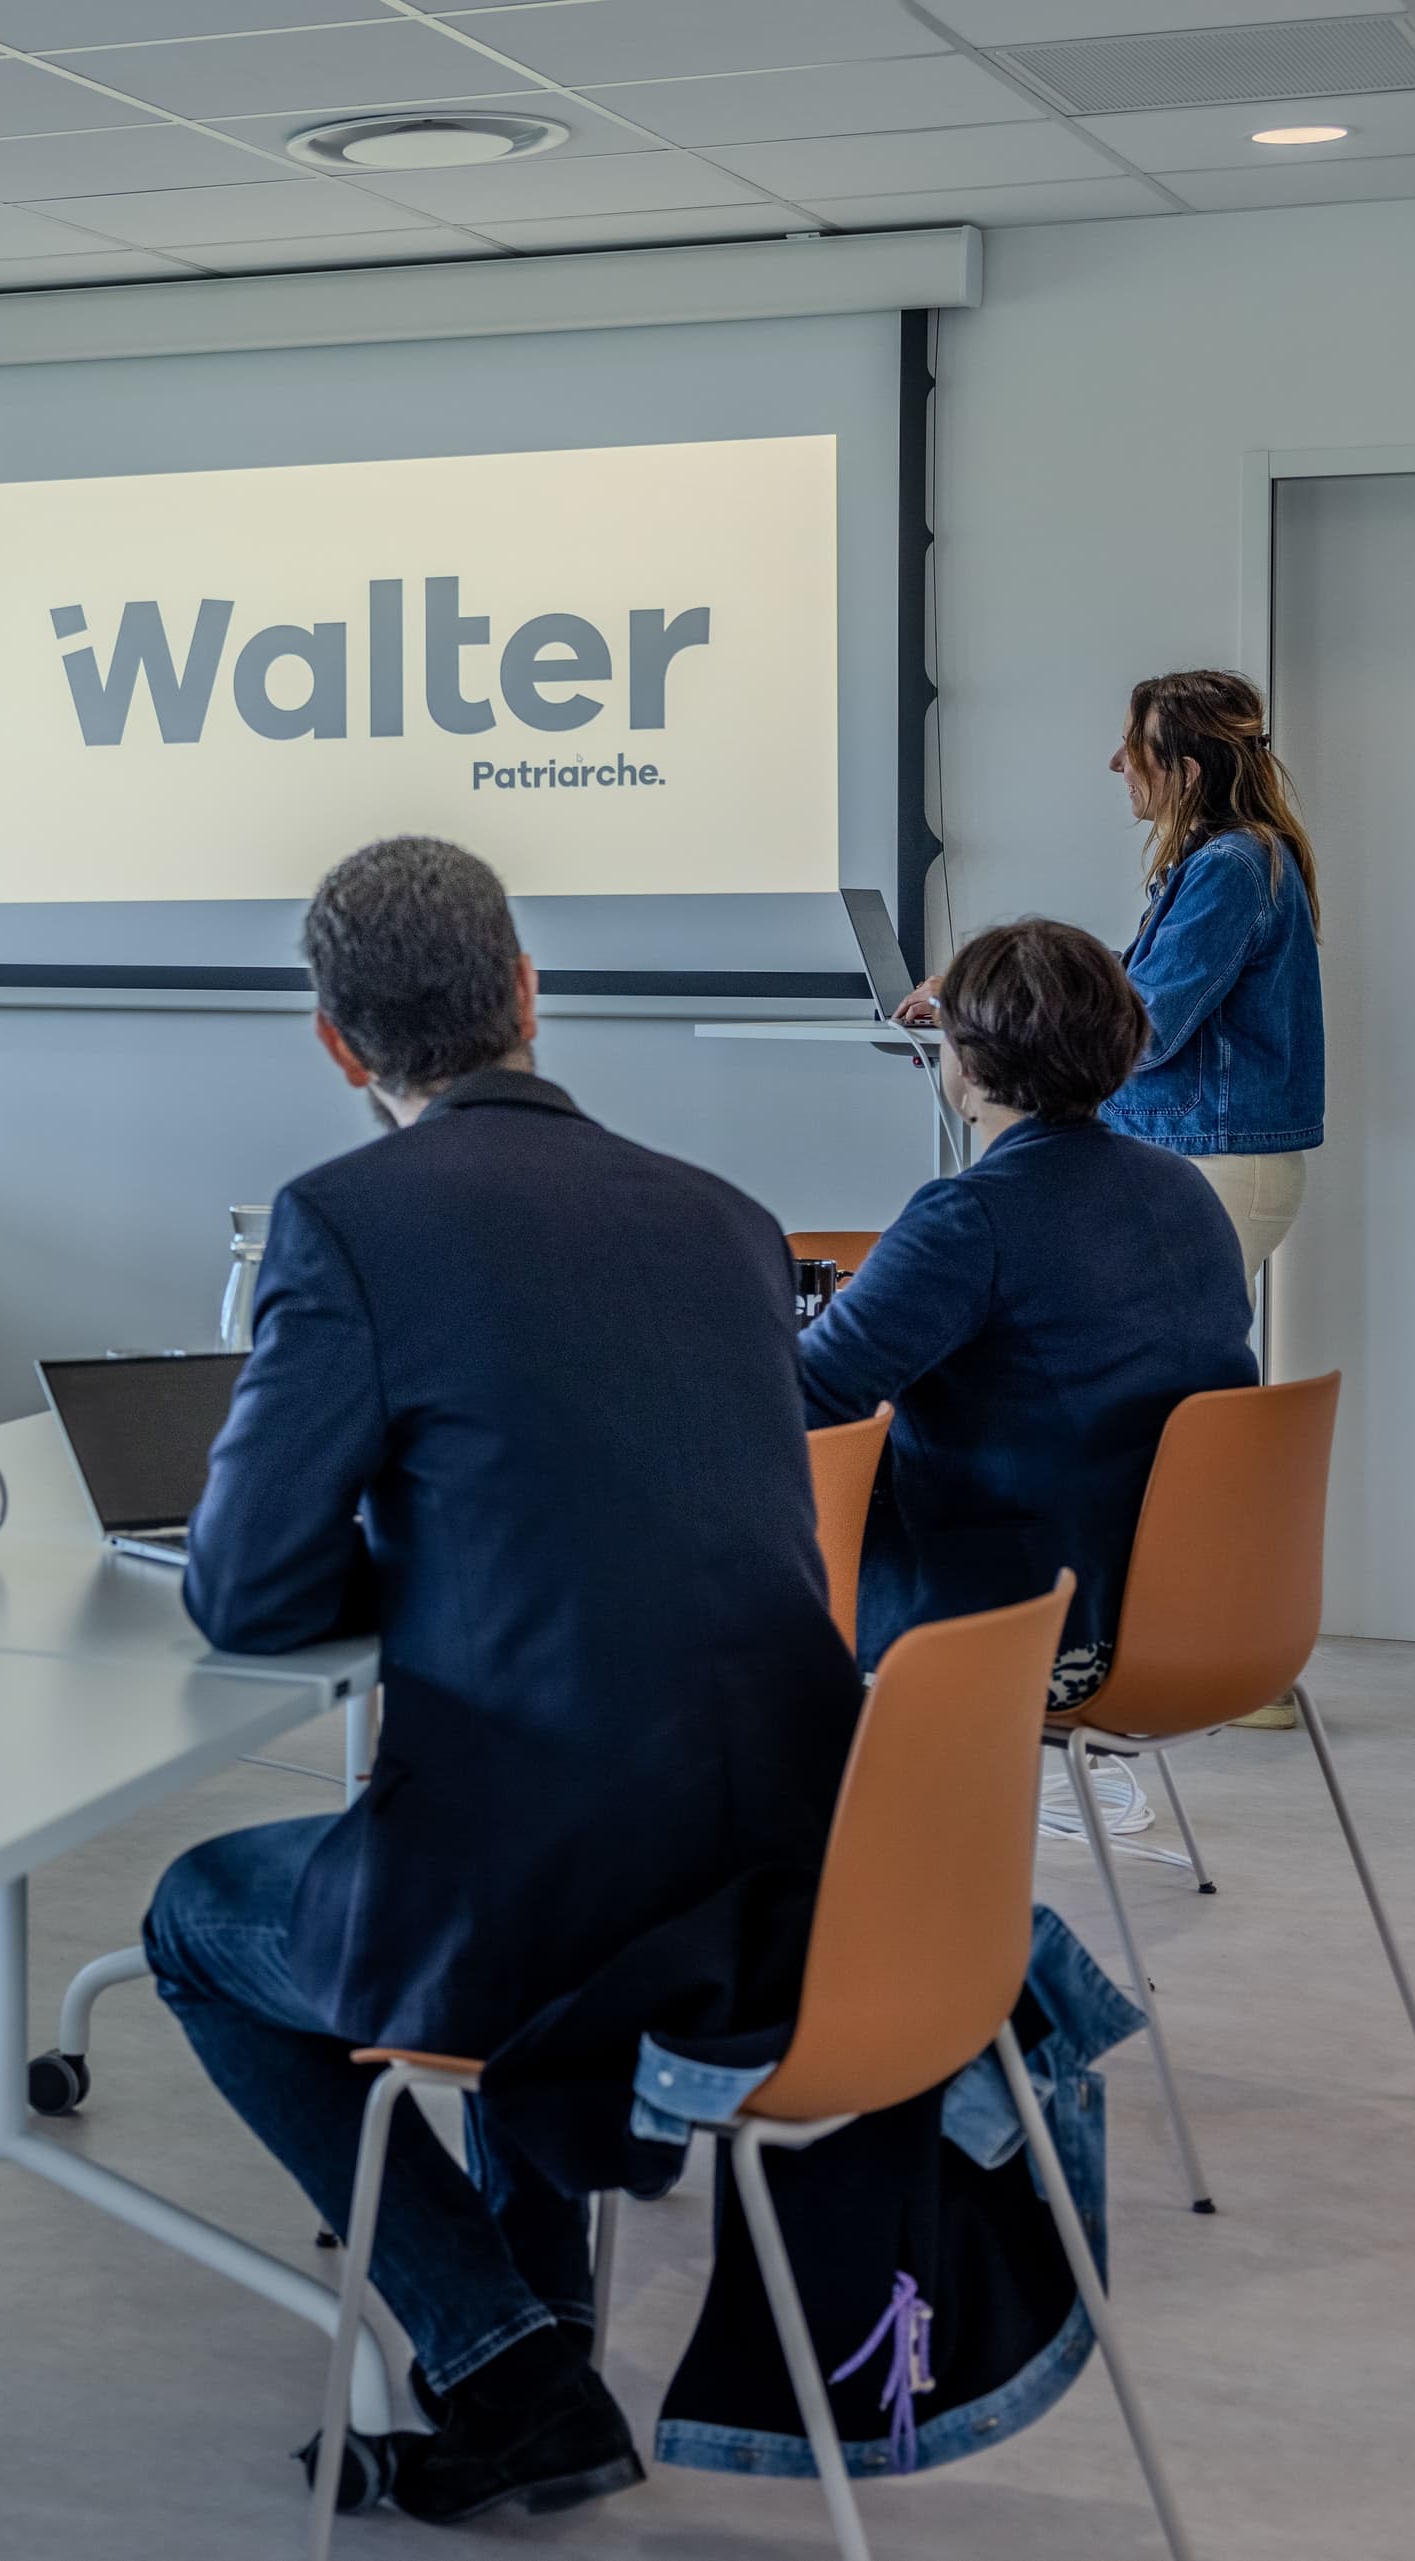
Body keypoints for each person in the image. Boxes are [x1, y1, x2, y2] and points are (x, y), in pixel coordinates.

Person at [143, 838, 863, 2524]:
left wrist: (415, 1556)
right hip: (794, 1888)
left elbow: (244, 1589)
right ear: (530, 993)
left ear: (337, 1046)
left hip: (556, 1918)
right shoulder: (729, 1220)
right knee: (537, 1822)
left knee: (195, 1918)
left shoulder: (347, 1222)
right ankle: (534, 2334)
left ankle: (507, 2355)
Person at [800, 917, 1255, 1704]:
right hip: (1190, 1612)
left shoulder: (970, 1217)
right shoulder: (1185, 1189)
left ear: (969, 1059)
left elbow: (806, 1394)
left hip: (1020, 1625)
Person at [906, 670, 1323, 1282]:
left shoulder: (1229, 867)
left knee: (1161, 1364)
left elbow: (1145, 1027)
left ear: (1186, 771)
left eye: (1132, 745)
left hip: (1210, 1157)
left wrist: (982, 1013)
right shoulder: (1225, 860)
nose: (1115, 762)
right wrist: (978, 990)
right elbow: (1131, 979)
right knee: (1181, 1363)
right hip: (1205, 1155)